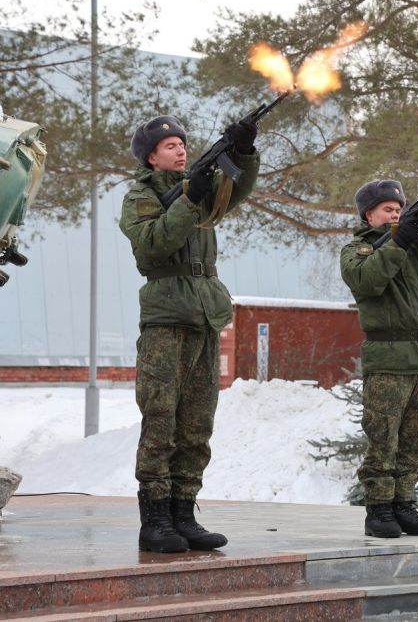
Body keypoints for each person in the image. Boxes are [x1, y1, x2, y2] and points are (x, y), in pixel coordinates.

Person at [120, 114, 259, 552]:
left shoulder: (198, 188)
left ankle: (184, 512)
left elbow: (237, 189)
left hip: (204, 315)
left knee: (197, 421)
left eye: (182, 143)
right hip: (166, 318)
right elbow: (154, 243)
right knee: (162, 419)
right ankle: (155, 519)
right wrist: (188, 197)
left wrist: (243, 152)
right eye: (169, 145)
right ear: (150, 156)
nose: (180, 150)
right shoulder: (140, 196)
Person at [339, 173, 418, 538]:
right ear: (368, 216)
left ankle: (405, 503)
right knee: (384, 436)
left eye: (399, 209)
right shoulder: (357, 251)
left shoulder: (414, 247)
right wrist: (398, 242)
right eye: (386, 210)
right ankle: (379, 508)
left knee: (417, 437)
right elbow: (366, 281)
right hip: (390, 357)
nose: (395, 215)